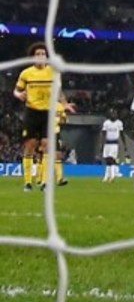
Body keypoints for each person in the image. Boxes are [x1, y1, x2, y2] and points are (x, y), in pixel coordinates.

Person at [13, 43, 75, 191]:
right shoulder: (26, 73)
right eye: (38, 54)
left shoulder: (53, 72)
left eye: (43, 54)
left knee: (47, 145)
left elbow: (58, 91)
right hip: (32, 112)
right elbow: (16, 90)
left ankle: (45, 183)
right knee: (30, 146)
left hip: (47, 113)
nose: (41, 56)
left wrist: (64, 104)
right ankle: (28, 182)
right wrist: (19, 94)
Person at [38, 100, 71, 189]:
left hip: (56, 132)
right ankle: (43, 180)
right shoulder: (44, 104)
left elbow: (63, 120)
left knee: (58, 155)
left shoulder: (60, 106)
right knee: (45, 155)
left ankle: (59, 179)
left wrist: (63, 119)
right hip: (45, 132)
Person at [101, 108, 124, 183]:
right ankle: (106, 176)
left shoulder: (119, 123)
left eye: (115, 114)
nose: (113, 115)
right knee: (107, 160)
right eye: (112, 114)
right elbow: (103, 134)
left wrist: (124, 144)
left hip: (114, 143)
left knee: (111, 159)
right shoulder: (106, 123)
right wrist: (102, 144)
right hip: (107, 143)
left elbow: (121, 134)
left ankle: (112, 176)